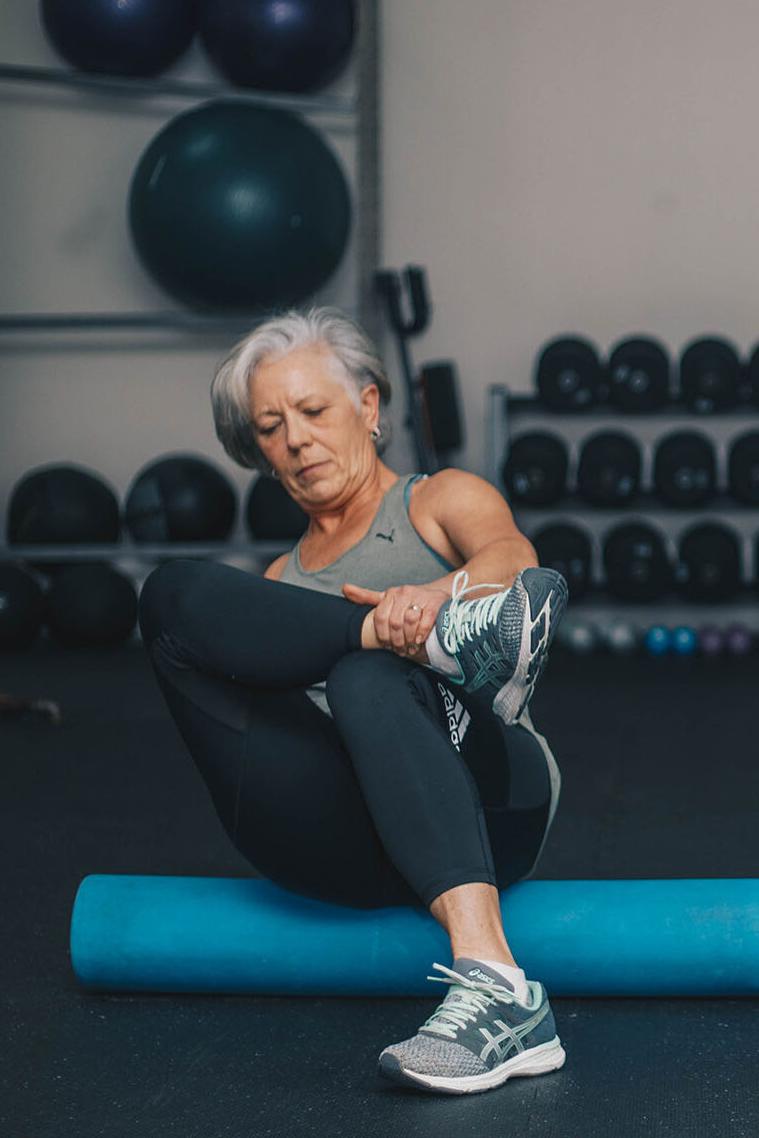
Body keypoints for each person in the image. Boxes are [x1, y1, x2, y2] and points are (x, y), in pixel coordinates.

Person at [137, 308, 570, 1095]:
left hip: (488, 806)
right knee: (170, 598)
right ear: (260, 452)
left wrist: (433, 601)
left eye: (312, 411)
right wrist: (381, 626)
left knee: (365, 678)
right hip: (343, 841)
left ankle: (498, 988)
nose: (295, 439)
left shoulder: (435, 499)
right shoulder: (272, 589)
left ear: (368, 409)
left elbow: (515, 558)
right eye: (270, 426)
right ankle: (376, 635)